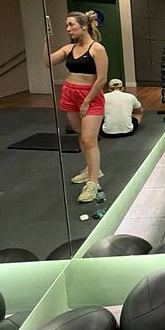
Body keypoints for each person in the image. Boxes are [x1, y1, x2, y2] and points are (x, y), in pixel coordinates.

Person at [46, 11, 108, 203]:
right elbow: (47, 62)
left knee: (89, 139)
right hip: (70, 93)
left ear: (84, 26)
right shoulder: (69, 48)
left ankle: (93, 182)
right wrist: (46, 38)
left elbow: (101, 79)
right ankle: (91, 168)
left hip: (90, 96)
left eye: (71, 24)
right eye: (66, 25)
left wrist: (87, 100)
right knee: (81, 134)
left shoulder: (97, 48)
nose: (68, 29)